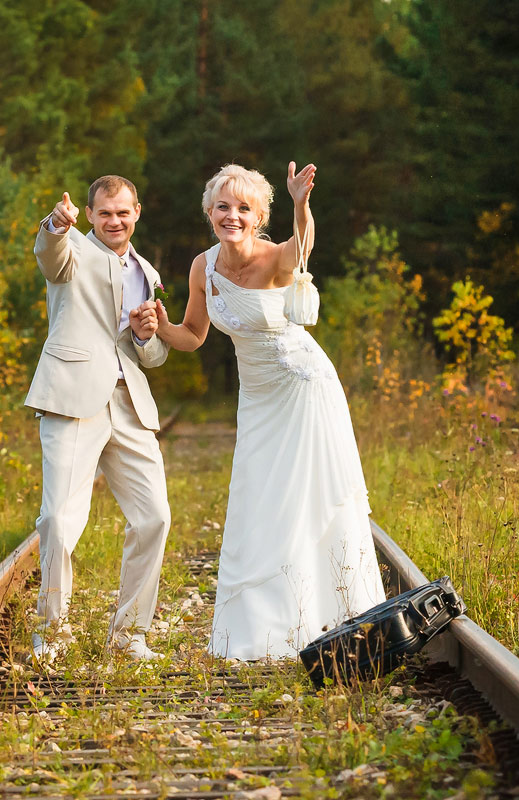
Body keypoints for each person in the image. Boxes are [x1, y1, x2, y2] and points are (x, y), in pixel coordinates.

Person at [151, 162, 386, 660]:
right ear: (209, 212)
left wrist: (301, 203)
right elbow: (192, 336)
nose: (231, 215)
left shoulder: (277, 256)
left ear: (258, 217)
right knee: (257, 502)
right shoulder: (203, 267)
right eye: (223, 206)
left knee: (307, 500)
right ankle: (264, 631)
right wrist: (157, 325)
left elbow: (303, 246)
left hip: (304, 390)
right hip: (258, 400)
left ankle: (336, 618)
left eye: (243, 208)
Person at [26, 175, 172, 663]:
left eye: (123, 212)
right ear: (88, 214)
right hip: (72, 398)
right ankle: (52, 636)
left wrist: (147, 335)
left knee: (155, 517)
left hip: (129, 404)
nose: (115, 221)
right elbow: (49, 255)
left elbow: (149, 358)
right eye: (105, 213)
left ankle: (129, 635)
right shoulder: (71, 251)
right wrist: (54, 224)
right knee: (59, 522)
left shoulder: (146, 271)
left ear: (137, 213)